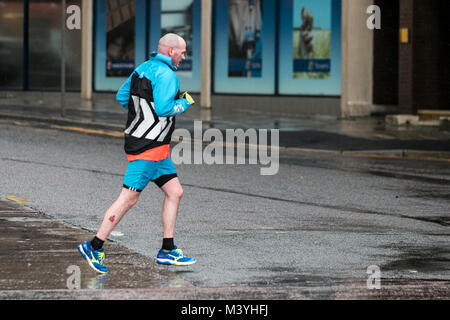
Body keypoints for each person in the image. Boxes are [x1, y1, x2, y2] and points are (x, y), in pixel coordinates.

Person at [78, 33, 197, 274]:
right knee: (128, 198)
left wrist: (144, 113)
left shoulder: (143, 68)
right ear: (171, 51)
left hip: (155, 148)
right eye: (182, 52)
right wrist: (185, 102)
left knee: (175, 192)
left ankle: (167, 250)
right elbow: (165, 108)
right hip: (148, 148)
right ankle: (94, 245)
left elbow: (122, 97)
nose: (184, 56)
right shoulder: (168, 75)